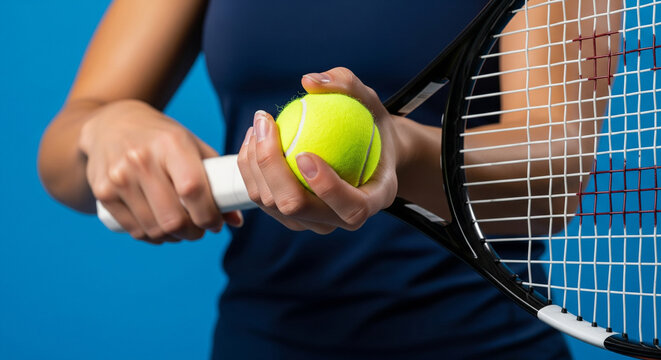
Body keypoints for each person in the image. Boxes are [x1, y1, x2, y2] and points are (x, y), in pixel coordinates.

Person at [38, 0, 578, 358]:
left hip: (480, 343)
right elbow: (65, 153)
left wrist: (400, 150)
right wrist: (107, 125)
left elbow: (558, 172)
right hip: (258, 340)